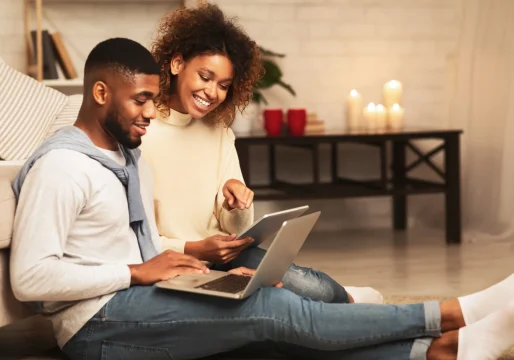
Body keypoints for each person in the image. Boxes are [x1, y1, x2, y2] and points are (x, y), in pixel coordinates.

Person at [9, 37, 514, 360]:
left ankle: (443, 353)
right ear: (101, 93)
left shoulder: (127, 161)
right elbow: (30, 280)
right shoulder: (63, 168)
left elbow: (146, 251)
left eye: (153, 100)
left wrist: (200, 281)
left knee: (266, 334)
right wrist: (138, 272)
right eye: (141, 100)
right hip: (95, 331)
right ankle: (453, 314)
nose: (151, 112)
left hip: (133, 304)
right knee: (273, 310)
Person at [140, 2, 381, 305]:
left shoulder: (219, 132)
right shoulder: (141, 132)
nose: (212, 92)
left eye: (223, 85)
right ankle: (343, 306)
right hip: (173, 261)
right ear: (176, 64)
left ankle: (347, 299)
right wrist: (195, 248)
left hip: (223, 256)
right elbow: (138, 237)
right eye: (204, 76)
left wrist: (237, 203)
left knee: (306, 285)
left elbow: (237, 230)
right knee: (278, 301)